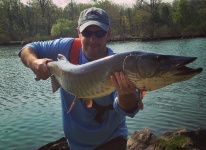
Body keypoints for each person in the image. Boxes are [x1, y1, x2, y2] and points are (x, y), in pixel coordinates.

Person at [19, 7, 141, 150]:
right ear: (78, 32)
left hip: (111, 141)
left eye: (100, 33)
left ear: (109, 34)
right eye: (87, 32)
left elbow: (129, 109)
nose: (92, 39)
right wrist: (34, 62)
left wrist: (126, 93)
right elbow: (27, 49)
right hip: (76, 145)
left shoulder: (119, 65)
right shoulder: (66, 47)